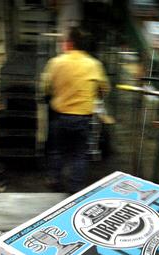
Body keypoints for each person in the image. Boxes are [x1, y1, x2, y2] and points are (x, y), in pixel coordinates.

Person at [40, 27, 110, 193]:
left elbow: (45, 88)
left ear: (69, 43)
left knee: (56, 150)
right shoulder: (94, 65)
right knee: (79, 154)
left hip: (59, 116)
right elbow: (104, 90)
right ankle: (75, 188)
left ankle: (54, 181)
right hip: (83, 118)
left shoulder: (56, 62)